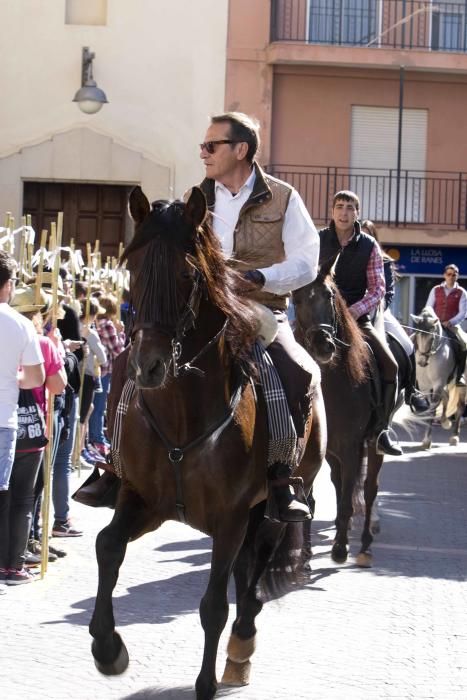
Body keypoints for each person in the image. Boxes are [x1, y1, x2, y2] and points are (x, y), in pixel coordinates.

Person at [197, 111, 320, 521]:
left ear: (241, 150)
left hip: (263, 308)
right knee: (134, 358)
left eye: (211, 145)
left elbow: (307, 263)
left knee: (297, 372)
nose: (203, 153)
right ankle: (116, 466)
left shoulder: (284, 197)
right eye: (203, 145)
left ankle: (283, 478)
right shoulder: (195, 199)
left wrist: (261, 276)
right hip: (203, 312)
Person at [319, 192, 402, 456]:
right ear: (332, 211)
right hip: (318, 320)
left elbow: (377, 289)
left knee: (391, 365)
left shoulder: (369, 245)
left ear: (357, 213)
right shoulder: (317, 240)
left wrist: (352, 314)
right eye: (339, 207)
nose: (344, 212)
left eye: (350, 208)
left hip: (357, 319)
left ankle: (381, 429)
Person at [0, 286, 67, 584]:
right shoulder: (39, 340)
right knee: (23, 499)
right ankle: (13, 565)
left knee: (8, 497)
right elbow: (55, 385)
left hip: (14, 422)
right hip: (26, 427)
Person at [0, 252, 45, 588]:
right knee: (4, 494)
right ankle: (8, 566)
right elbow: (35, 378)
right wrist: (12, 377)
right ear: (8, 286)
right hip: (4, 417)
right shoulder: (20, 324)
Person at [361, 220, 429, 413]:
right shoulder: (348, 256)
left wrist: (377, 309)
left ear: (374, 237)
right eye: (361, 234)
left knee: (407, 345)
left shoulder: (384, 261)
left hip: (379, 310)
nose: (365, 238)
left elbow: (388, 293)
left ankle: (412, 391)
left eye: (368, 234)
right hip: (351, 310)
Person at [88, 294, 126, 455]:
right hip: (105, 370)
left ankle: (95, 437)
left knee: (96, 407)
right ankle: (96, 438)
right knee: (99, 407)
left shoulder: (97, 323)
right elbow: (118, 351)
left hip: (99, 369)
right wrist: (121, 334)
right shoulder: (109, 325)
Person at [426, 264, 467, 386]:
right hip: (435, 325)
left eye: (454, 274)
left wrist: (450, 322)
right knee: (418, 340)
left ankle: (459, 376)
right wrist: (435, 320)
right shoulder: (435, 289)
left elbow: (463, 313)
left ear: (457, 276)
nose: (451, 276)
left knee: (464, 344)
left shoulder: (462, 292)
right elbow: (428, 307)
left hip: (452, 326)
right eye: (449, 274)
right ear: (444, 275)